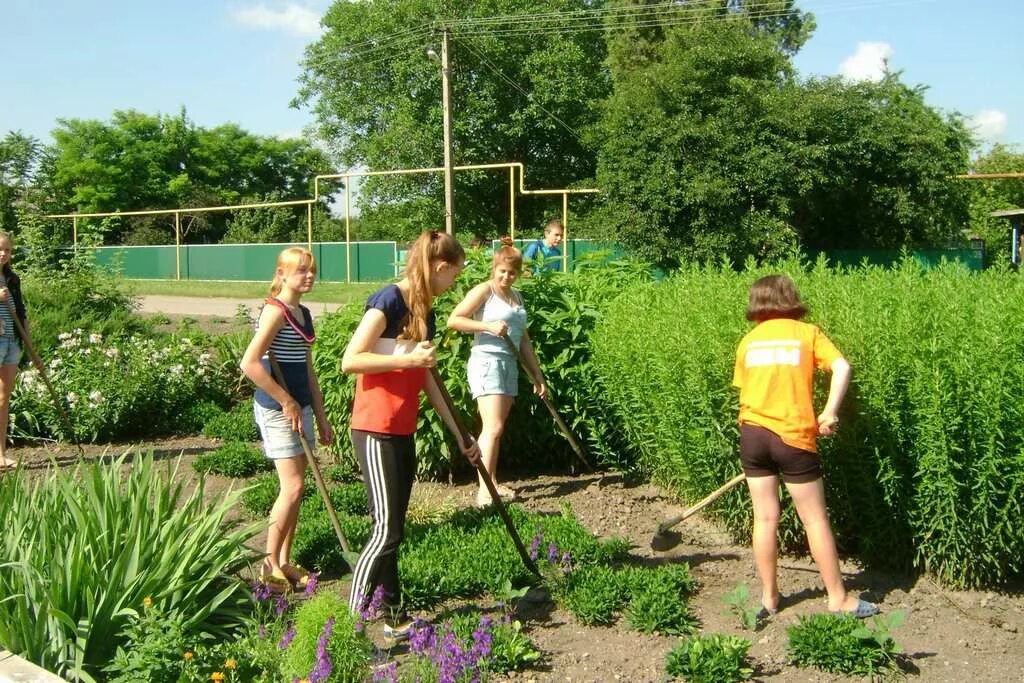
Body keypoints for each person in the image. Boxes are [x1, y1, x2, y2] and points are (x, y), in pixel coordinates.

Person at [342, 229, 480, 640]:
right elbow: (351, 359)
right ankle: (348, 624)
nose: (453, 283)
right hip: (375, 428)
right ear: (440, 267)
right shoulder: (389, 299)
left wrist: (460, 434)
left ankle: (394, 616)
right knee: (385, 530)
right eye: (453, 275)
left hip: (402, 429)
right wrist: (407, 355)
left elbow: (427, 379)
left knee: (393, 529)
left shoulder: (425, 309)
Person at [732, 274, 879, 620]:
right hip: (794, 437)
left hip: (753, 435)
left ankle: (769, 598)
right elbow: (842, 367)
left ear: (757, 303)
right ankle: (838, 599)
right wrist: (828, 412)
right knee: (814, 519)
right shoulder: (807, 334)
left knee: (765, 518)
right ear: (791, 299)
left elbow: (745, 389)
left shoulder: (749, 342)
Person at [241, 247, 333, 594]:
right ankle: (268, 566)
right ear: (281, 274)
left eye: (312, 270)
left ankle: (284, 561)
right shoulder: (274, 313)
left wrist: (321, 415)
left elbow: (307, 369)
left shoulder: (303, 313)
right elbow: (249, 364)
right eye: (301, 271)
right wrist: (286, 401)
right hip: (278, 409)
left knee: (297, 489)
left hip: (301, 406)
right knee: (291, 487)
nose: (309, 276)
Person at [447, 237, 547, 508]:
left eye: (512, 272)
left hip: (509, 365)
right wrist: (488, 326)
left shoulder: (517, 296)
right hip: (487, 363)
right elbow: (454, 320)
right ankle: (483, 492)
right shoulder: (485, 290)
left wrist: (537, 375)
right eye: (502, 270)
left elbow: (523, 340)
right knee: (493, 427)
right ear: (494, 268)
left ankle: (491, 482)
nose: (506, 276)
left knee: (496, 430)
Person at [0, 232, 26, 472]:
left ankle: (1, 454)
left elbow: (21, 310)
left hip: (11, 342)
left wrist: (28, 342)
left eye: (7, 250)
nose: (3, 254)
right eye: (0, 249)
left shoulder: (12, 278)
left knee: (3, 399)